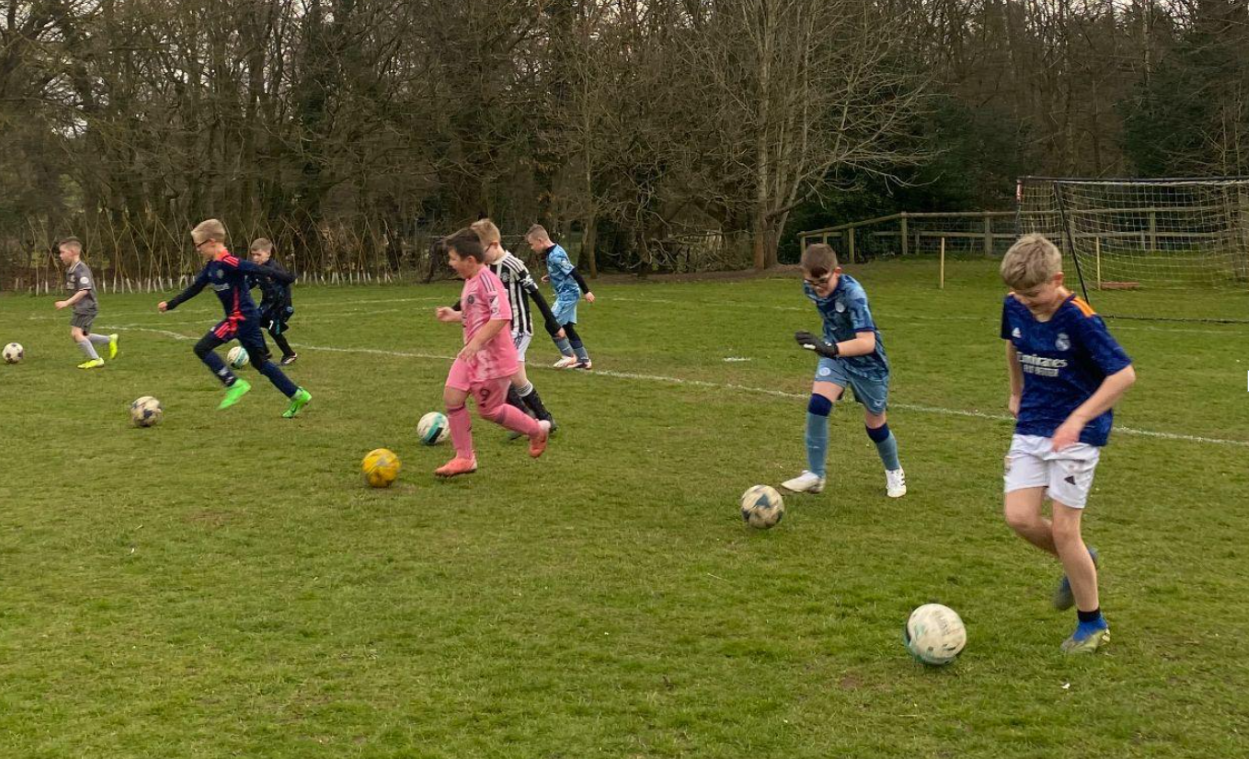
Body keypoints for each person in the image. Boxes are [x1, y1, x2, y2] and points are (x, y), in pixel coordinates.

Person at [999, 233, 1135, 654]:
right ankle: (1079, 560)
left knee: (1063, 528)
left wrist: (1077, 419)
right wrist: (1016, 390)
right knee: (1019, 518)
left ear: (1057, 278)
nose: (1027, 302)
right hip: (1032, 423)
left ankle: (1092, 624)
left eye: (1035, 294)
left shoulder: (1081, 319)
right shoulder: (1014, 304)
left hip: (1077, 435)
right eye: (1020, 295)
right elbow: (1012, 344)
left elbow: (1124, 375)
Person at [784, 243, 906, 498]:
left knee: (875, 426)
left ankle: (894, 472)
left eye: (823, 282)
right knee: (818, 404)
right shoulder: (810, 287)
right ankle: (816, 474)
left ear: (836, 271)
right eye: (811, 281)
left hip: (868, 364)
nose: (817, 288)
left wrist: (830, 348)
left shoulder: (854, 295)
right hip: (835, 356)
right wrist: (823, 346)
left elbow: (867, 342)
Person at [158, 219, 312, 417]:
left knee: (202, 348)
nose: (197, 249)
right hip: (245, 320)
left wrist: (287, 277)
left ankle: (233, 384)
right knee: (261, 364)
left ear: (211, 241)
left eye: (199, 245)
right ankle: (298, 395)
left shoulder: (228, 262)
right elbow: (195, 288)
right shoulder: (211, 267)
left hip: (240, 319)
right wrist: (171, 304)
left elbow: (258, 269)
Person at [432, 228, 551, 477]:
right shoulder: (470, 281)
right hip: (472, 356)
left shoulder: (488, 280)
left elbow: (502, 315)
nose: (450, 263)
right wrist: (455, 315)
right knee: (452, 397)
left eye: (453, 258)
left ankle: (536, 429)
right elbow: (478, 313)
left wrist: (476, 343)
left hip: (492, 361)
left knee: (489, 411)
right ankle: (465, 458)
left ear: (470, 261)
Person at [470, 219, 558, 431]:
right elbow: (474, 294)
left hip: (519, 328)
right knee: (517, 378)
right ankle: (541, 419)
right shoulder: (486, 269)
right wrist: (456, 310)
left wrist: (553, 324)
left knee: (502, 374)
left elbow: (535, 294)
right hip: (502, 331)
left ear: (494, 243)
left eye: (481, 250)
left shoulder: (514, 265)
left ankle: (526, 420)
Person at [525, 224, 595, 369]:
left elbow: (573, 272)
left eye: (532, 244)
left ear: (540, 240)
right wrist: (551, 276)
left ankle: (568, 356)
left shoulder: (556, 255)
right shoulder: (553, 251)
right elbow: (563, 270)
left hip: (568, 294)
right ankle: (584, 360)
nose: (532, 248)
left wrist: (587, 291)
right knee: (567, 327)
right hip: (566, 293)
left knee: (552, 324)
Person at [53, 237, 117, 369]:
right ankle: (109, 340)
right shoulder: (71, 269)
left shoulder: (81, 269)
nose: (60, 256)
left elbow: (84, 290)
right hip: (81, 307)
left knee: (76, 334)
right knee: (83, 335)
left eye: (62, 252)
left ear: (72, 252)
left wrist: (66, 303)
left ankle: (96, 359)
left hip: (87, 307)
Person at [247, 238, 298, 365]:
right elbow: (250, 283)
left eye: (258, 254)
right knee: (252, 322)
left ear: (268, 253)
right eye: (253, 255)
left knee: (273, 329)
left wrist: (286, 276)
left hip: (282, 306)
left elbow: (288, 278)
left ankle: (290, 354)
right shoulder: (256, 269)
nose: (255, 258)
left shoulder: (274, 268)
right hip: (267, 305)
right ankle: (264, 353)